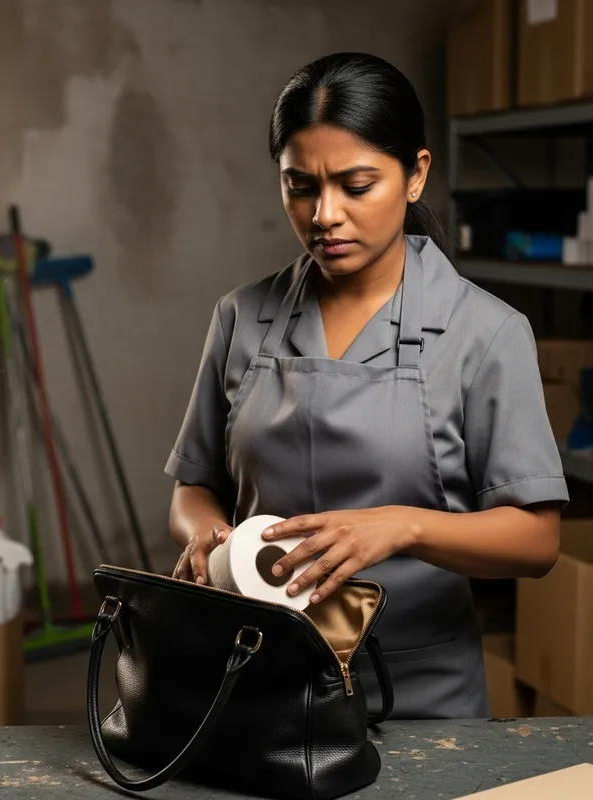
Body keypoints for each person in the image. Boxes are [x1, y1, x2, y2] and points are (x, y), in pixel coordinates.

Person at [164, 52, 567, 720]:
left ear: (415, 176)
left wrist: (402, 528)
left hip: (417, 695)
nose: (325, 214)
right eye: (300, 185)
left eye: (356, 185)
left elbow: (536, 540)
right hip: (256, 681)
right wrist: (208, 536)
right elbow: (193, 485)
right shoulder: (242, 317)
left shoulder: (486, 333)